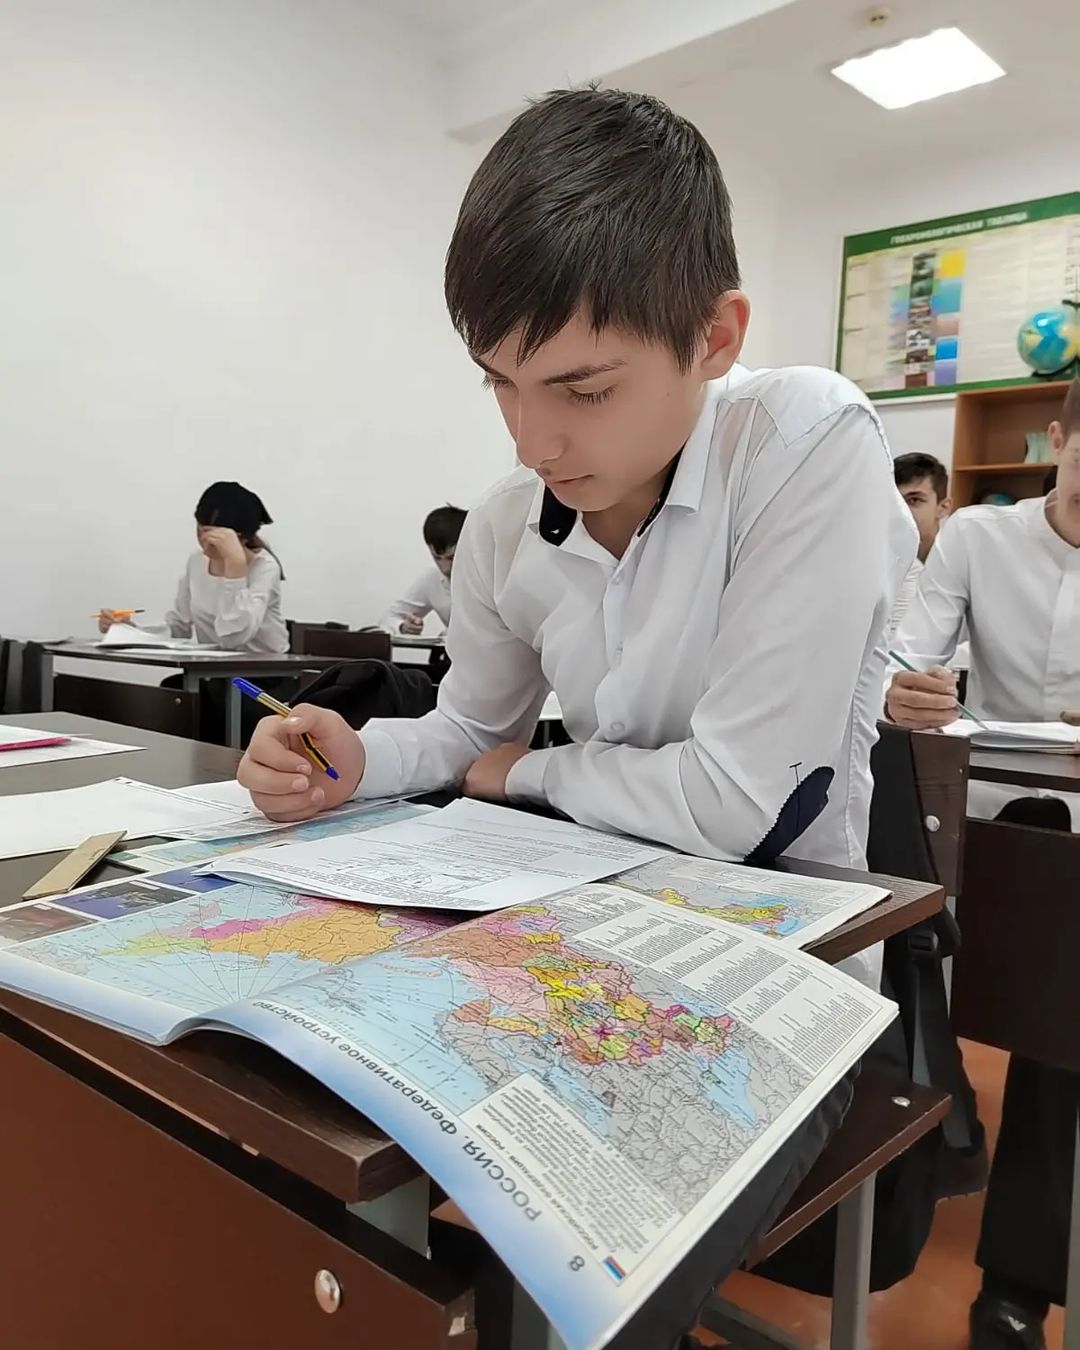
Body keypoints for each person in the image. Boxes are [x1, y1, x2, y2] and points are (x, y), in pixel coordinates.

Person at [239, 88, 914, 1348]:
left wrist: (532, 776)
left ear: (715, 337)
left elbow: (738, 805)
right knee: (280, 1146)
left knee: (556, 1283)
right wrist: (353, 759)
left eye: (584, 388)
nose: (534, 436)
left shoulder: (806, 442)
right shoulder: (509, 522)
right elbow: (463, 734)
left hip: (785, 961)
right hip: (570, 926)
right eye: (499, 382)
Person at [887, 378, 1080, 1350]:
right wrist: (902, 688)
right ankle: (935, 1110)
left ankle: (1016, 1286)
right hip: (989, 819)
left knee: (1063, 1006)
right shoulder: (977, 537)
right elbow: (903, 657)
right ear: (1057, 438)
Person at [98, 481, 289, 655]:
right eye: (201, 532)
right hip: (214, 671)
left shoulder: (265, 568)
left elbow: (233, 639)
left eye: (217, 537)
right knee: (170, 683)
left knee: (229, 684)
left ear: (241, 536)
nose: (206, 543)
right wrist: (131, 630)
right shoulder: (196, 562)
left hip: (264, 671)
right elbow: (179, 627)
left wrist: (235, 567)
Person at [887, 452, 953, 640]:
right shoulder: (880, 564)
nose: (901, 512)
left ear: (943, 507)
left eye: (913, 500)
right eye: (894, 501)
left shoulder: (960, 566)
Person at [382, 505, 467, 635]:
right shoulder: (431, 578)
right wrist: (403, 626)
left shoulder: (492, 575)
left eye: (451, 558)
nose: (445, 568)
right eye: (437, 558)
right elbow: (389, 618)